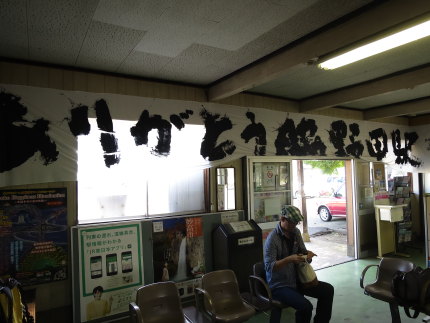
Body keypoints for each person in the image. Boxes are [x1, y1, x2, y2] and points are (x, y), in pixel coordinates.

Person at [264, 205, 334, 323]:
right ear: (282, 219)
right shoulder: (272, 239)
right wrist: (289, 259)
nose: (294, 225)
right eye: (292, 222)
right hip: (280, 285)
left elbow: (302, 252)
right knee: (306, 307)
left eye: (296, 222)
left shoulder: (295, 232)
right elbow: (269, 267)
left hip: (298, 280)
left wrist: (307, 255)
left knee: (328, 290)